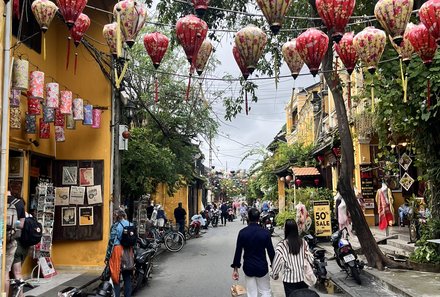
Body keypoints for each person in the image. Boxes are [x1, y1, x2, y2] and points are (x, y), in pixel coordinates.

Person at [231, 208, 275, 297]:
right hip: (262, 267)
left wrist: (235, 268)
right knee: (265, 292)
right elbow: (271, 252)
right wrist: (274, 267)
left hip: (249, 267)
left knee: (251, 293)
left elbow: (238, 251)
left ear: (248, 218)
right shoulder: (265, 233)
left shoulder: (242, 233)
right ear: (259, 218)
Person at [271, 219, 314, 297]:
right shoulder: (303, 242)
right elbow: (310, 258)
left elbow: (277, 262)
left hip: (289, 281)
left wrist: (274, 275)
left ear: (286, 229)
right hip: (303, 278)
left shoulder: (282, 245)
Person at [105, 209, 133, 297]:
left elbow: (111, 242)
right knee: (127, 276)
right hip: (128, 251)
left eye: (114, 215)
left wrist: (107, 256)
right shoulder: (130, 224)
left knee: (115, 276)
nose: (113, 217)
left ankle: (116, 295)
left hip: (117, 250)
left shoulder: (115, 226)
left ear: (117, 216)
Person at [5, 192, 25, 296]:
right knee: (6, 272)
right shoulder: (19, 203)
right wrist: (12, 227)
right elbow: (21, 225)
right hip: (11, 241)